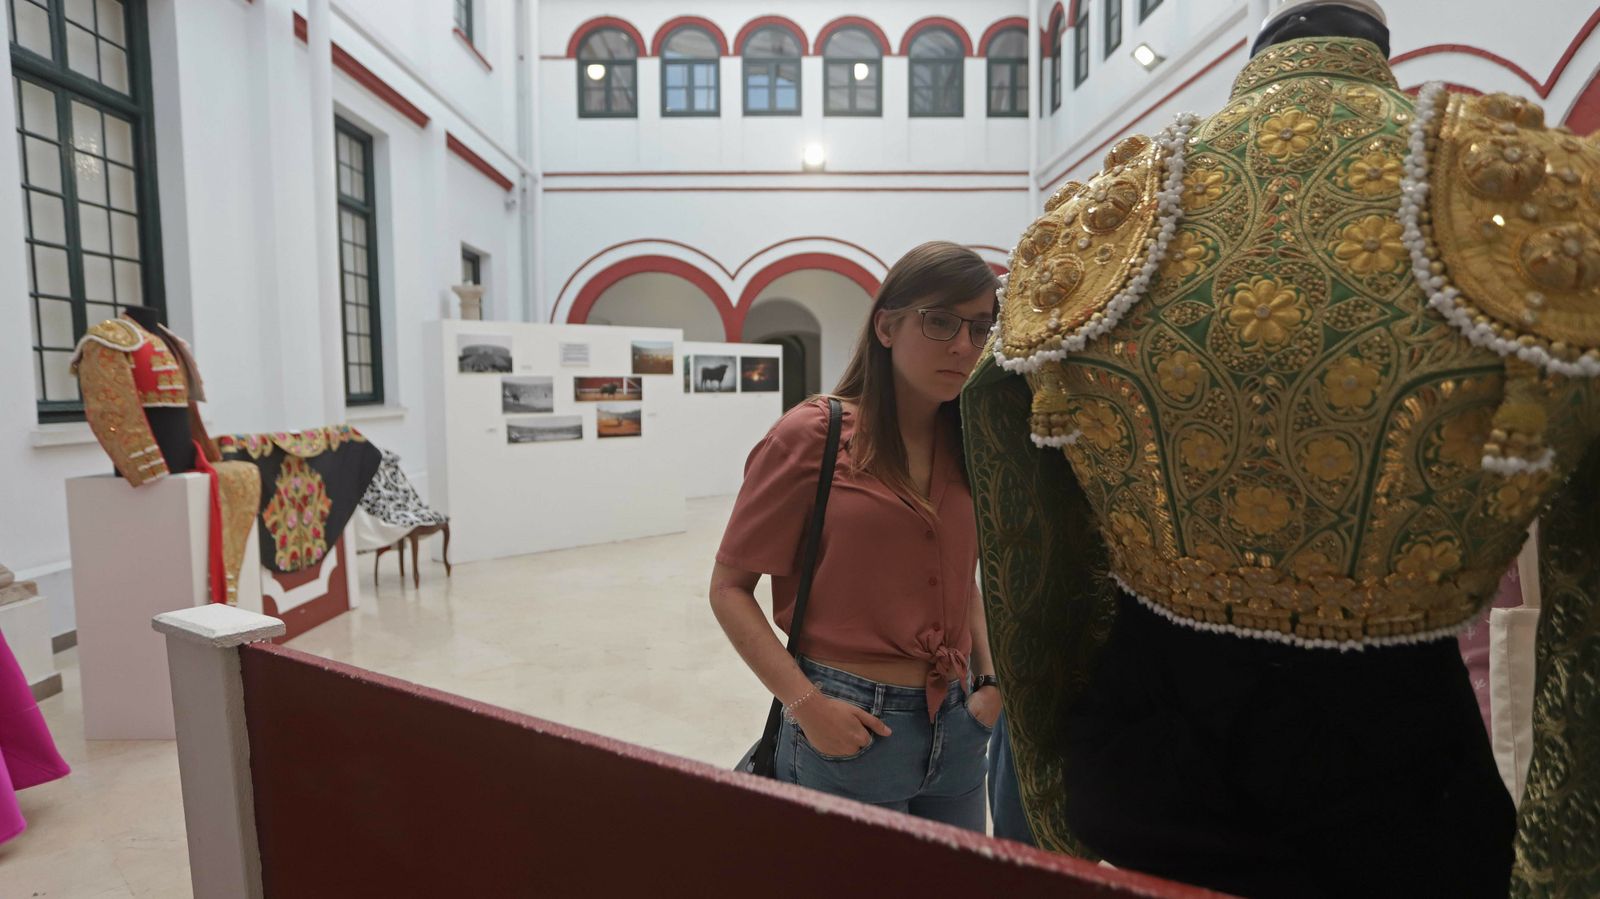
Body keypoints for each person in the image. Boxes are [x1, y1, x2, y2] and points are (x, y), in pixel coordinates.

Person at [961, 0, 1600, 895]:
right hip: (1406, 794)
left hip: (1143, 768)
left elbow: (1027, 538)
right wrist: (1564, 852)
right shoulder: (1548, 200)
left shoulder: (1091, 229)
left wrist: (1050, 781)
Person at [710, 241, 1002, 830]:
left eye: (980, 328)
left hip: (959, 719)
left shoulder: (970, 441)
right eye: (940, 322)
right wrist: (808, 707)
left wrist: (991, 686)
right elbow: (729, 589)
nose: (964, 347)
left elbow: (959, 577)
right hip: (852, 724)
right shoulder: (814, 435)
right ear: (887, 326)